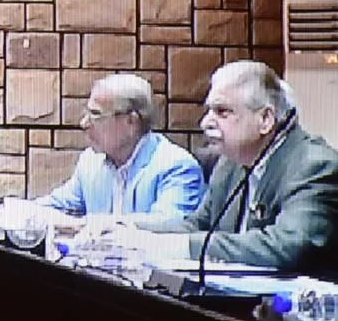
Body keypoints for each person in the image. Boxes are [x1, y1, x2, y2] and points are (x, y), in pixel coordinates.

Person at [121, 61, 338, 271]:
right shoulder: (229, 162)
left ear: (265, 119)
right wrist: (129, 230)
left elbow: (288, 245)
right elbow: (197, 226)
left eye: (222, 111)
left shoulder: (315, 165)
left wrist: (183, 247)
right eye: (209, 111)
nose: (205, 123)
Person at [37, 74, 204, 227]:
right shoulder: (91, 161)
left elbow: (170, 225)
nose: (84, 123)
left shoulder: (177, 166)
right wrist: (25, 211)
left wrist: (94, 225)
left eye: (96, 114)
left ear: (131, 121)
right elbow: (54, 207)